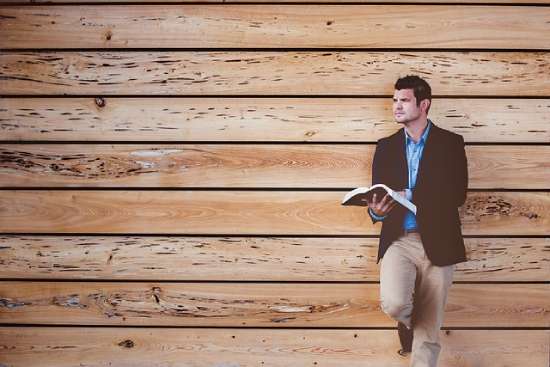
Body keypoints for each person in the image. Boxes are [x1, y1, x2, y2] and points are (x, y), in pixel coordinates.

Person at [366, 75, 468, 367]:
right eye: (395, 100)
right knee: (395, 303)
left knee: (430, 332)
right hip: (399, 238)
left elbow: (457, 193)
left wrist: (410, 193)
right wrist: (377, 211)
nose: (397, 106)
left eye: (404, 100)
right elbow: (378, 194)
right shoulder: (385, 146)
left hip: (440, 239)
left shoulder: (451, 143)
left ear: (424, 104)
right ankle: (409, 323)